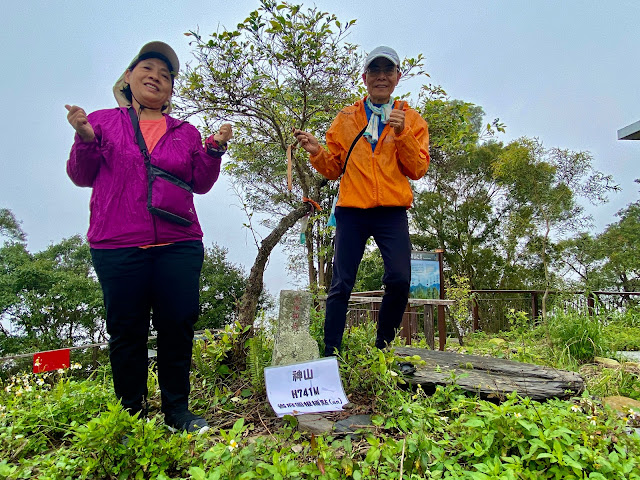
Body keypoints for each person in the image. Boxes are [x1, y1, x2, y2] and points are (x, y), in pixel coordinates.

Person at [65, 41, 232, 433]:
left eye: (166, 74)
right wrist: (86, 138)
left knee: (177, 325)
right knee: (126, 331)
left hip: (179, 244)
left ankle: (177, 412)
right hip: (118, 244)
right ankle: (133, 416)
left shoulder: (185, 132)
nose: (156, 76)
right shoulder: (104, 121)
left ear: (171, 90)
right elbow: (81, 176)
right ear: (128, 77)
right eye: (148, 68)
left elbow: (201, 183)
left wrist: (213, 149)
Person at [294, 46, 430, 356]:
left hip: (392, 211)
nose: (381, 77)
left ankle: (384, 348)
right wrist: (316, 151)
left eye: (388, 71)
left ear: (397, 77)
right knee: (341, 283)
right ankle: (331, 353)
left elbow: (418, 168)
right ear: (365, 77)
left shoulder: (411, 119)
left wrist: (402, 134)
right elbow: (333, 169)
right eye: (375, 71)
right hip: (352, 210)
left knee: (399, 278)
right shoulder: (346, 118)